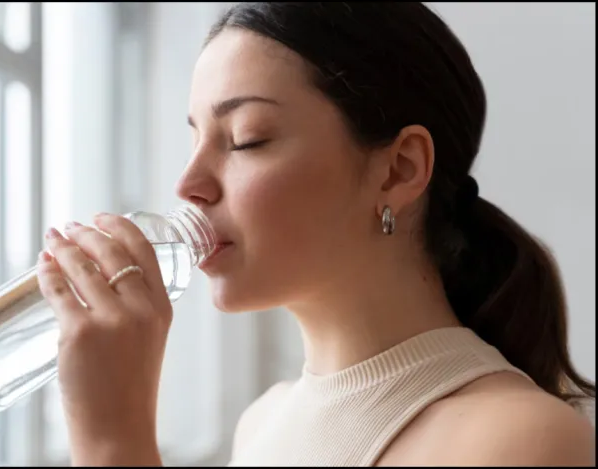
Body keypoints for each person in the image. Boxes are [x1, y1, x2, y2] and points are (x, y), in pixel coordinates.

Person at [35, 2, 595, 466]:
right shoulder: (260, 424)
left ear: (399, 169)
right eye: (195, 139)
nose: (188, 184)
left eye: (246, 138)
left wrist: (112, 440)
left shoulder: (521, 441)